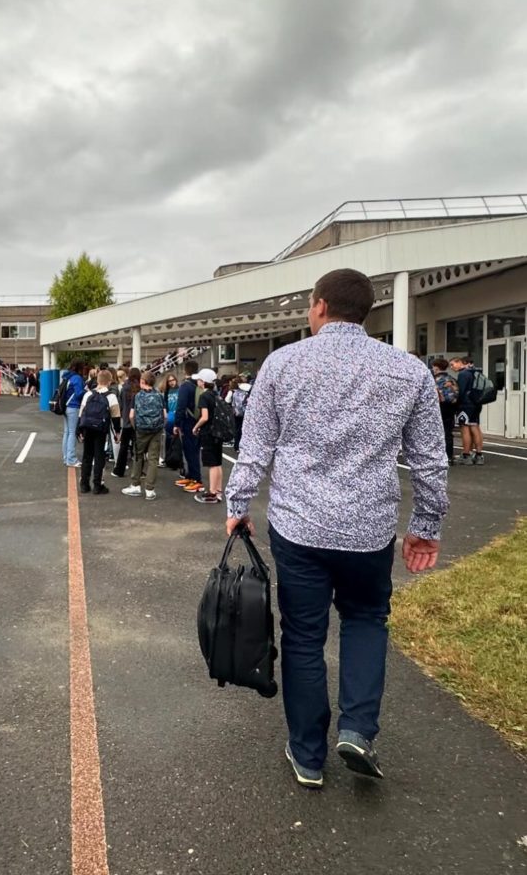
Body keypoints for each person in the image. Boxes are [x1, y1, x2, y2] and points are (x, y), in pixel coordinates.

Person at [225, 268, 448, 789]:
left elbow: (255, 448)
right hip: (369, 529)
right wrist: (426, 524)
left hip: (299, 526)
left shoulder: (282, 364)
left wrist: (236, 504)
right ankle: (357, 729)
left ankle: (307, 754)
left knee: (303, 635)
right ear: (364, 310)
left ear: (321, 306)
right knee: (367, 620)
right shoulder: (408, 371)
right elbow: (430, 460)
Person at [121, 370, 165, 500]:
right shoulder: (159, 396)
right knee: (153, 459)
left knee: (138, 456)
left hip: (141, 430)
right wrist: (160, 426)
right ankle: (150, 490)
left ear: (142, 382)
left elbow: (131, 415)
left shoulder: (137, 396)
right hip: (156, 430)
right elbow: (165, 415)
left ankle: (135, 485)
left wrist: (136, 427)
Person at [78, 368, 121, 494]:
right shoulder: (111, 396)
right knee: (99, 456)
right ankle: (98, 485)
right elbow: (116, 417)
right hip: (101, 430)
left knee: (87, 456)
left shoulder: (88, 394)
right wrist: (117, 433)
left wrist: (79, 430)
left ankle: (84, 484)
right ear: (109, 381)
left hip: (87, 429)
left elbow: (82, 414)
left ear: (97, 380)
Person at [192, 368, 224, 504]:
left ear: (203, 382)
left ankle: (212, 492)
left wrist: (196, 426)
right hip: (218, 431)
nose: (197, 381)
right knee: (218, 463)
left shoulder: (204, 396)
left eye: (199, 379)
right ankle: (218, 491)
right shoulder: (216, 394)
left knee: (212, 464)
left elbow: (204, 417)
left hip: (209, 432)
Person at [172, 360, 204, 494]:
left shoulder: (185, 386)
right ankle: (190, 476)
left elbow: (180, 407)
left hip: (188, 421)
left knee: (190, 450)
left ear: (185, 370)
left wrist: (177, 424)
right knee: (194, 450)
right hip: (199, 420)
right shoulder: (199, 384)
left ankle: (196, 479)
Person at [452, 356, 484, 465]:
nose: (452, 367)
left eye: (453, 364)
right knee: (475, 427)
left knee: (464, 428)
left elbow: (461, 391)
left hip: (465, 405)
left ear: (461, 362)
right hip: (476, 403)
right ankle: (479, 454)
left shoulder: (463, 374)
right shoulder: (476, 372)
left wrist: (455, 403)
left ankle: (466, 454)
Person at [111, 367, 141, 478]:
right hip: (139, 421)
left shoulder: (124, 388)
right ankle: (139, 471)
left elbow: (121, 405)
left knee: (124, 447)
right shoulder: (140, 388)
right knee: (138, 448)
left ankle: (119, 470)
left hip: (127, 421)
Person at [432, 358, 458, 465]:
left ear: (436, 367)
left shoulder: (434, 380)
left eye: (433, 367)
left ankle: (437, 456)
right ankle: (449, 456)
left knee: (436, 433)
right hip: (450, 408)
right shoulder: (451, 379)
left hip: (438, 408)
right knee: (448, 432)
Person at [61, 359, 86, 467]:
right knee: (72, 433)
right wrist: (87, 390)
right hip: (74, 406)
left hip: (65, 406)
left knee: (67, 432)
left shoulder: (67, 376)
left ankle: (66, 457)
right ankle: (71, 459)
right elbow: (79, 393)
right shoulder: (77, 378)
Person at [159, 372, 179, 467]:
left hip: (178, 416)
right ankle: (168, 458)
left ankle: (177, 460)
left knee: (177, 440)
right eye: (169, 381)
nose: (171, 382)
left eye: (173, 380)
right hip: (169, 416)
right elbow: (165, 406)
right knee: (168, 439)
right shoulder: (166, 392)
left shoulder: (180, 390)